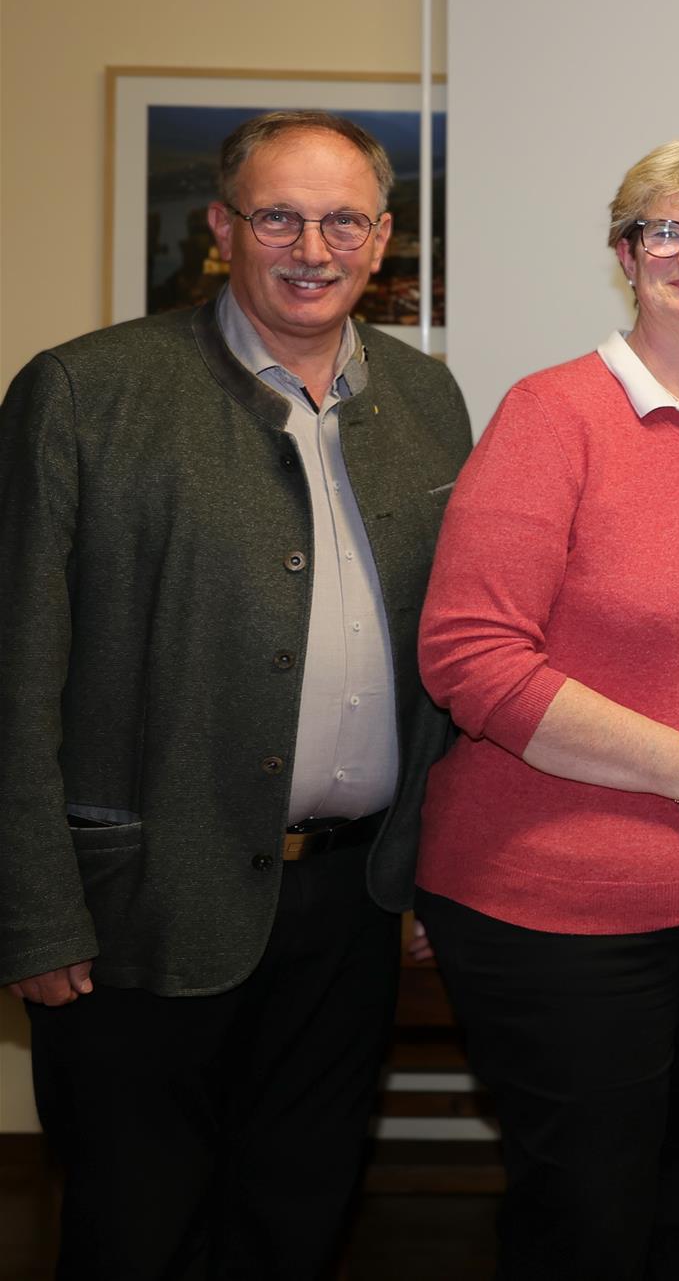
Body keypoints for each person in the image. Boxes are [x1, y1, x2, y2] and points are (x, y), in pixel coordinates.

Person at [0, 110, 472, 1279]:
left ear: (382, 239)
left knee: (295, 1216)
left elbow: (450, 660)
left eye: (342, 220)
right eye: (278, 216)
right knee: (135, 1229)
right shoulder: (83, 393)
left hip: (351, 911)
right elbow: (14, 673)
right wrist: (35, 915)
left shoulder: (430, 400)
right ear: (222, 229)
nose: (311, 247)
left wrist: (425, 868)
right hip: (139, 910)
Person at [413, 140, 679, 1279]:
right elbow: (469, 656)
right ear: (623, 256)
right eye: (664, 229)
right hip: (557, 909)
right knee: (587, 1225)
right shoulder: (549, 416)